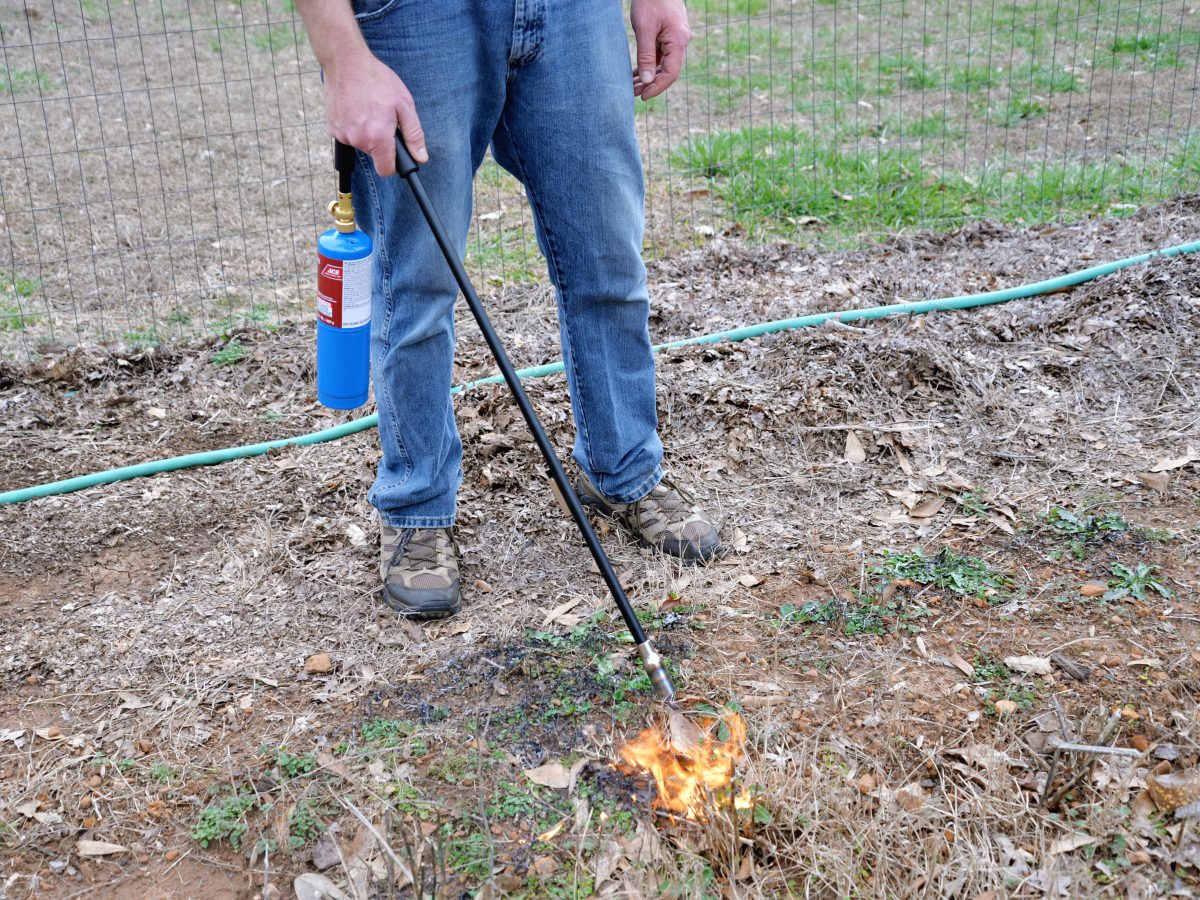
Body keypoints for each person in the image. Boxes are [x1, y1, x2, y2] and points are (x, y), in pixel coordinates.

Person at [296, 0, 722, 620]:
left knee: (607, 263)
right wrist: (344, 59)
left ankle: (623, 470)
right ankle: (418, 508)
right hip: (414, 17)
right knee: (414, 286)